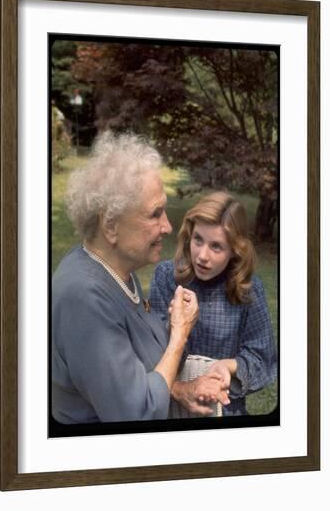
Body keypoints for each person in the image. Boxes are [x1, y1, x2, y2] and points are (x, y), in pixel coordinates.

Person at [52, 133, 229, 424]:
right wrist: (180, 334)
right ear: (110, 224)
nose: (168, 226)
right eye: (155, 214)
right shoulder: (82, 297)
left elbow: (131, 366)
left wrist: (177, 388)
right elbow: (137, 412)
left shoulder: (118, 271)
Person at [149, 191, 277, 416]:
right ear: (190, 235)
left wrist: (228, 366)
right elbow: (149, 353)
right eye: (198, 240)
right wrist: (174, 327)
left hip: (223, 410)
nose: (202, 256)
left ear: (235, 250)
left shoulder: (247, 289)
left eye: (216, 246)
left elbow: (263, 359)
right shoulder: (167, 277)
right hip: (171, 406)